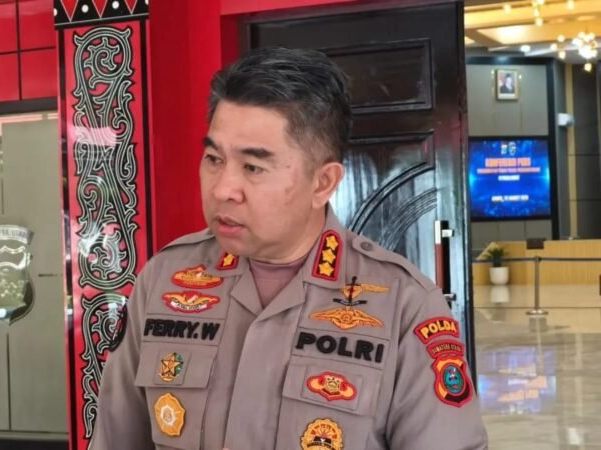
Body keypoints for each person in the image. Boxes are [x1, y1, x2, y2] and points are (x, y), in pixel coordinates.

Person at [90, 47, 488, 450]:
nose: (223, 188)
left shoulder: (405, 306)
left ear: (323, 183)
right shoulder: (165, 279)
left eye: (253, 167)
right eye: (213, 158)